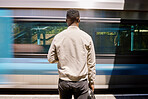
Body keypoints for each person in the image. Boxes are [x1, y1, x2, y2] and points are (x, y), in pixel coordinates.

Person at [47, 9, 96, 99]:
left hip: (64, 82)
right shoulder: (87, 37)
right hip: (81, 82)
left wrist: (62, 57)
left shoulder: (58, 37)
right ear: (79, 20)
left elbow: (50, 59)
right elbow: (91, 63)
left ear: (66, 20)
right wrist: (91, 82)